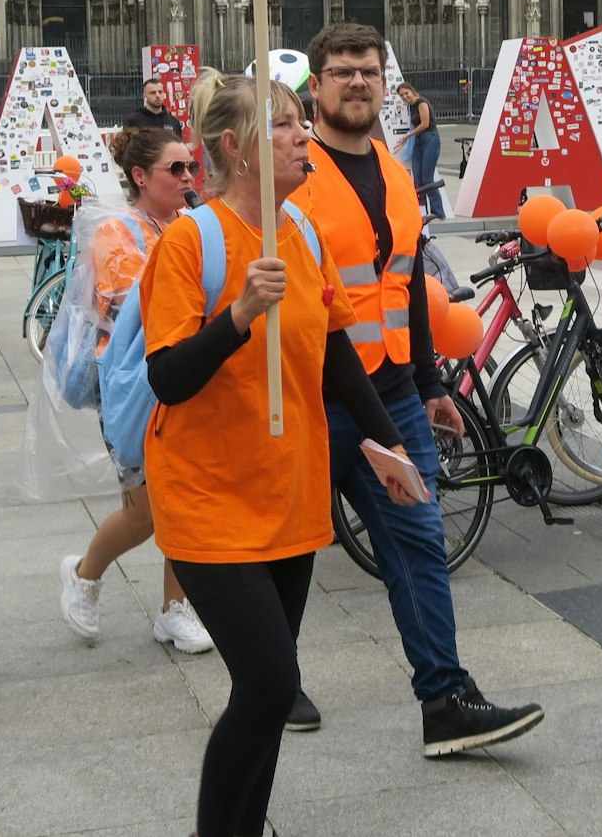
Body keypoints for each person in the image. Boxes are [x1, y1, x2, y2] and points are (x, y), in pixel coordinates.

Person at [140, 70, 408, 837]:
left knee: (261, 693)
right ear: (236, 146)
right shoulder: (196, 240)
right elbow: (168, 375)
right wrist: (237, 315)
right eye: (285, 125)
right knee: (271, 683)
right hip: (207, 496)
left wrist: (389, 442)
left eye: (300, 122)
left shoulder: (302, 232)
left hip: (289, 491)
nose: (302, 136)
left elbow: (334, 355)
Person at [302, 22, 546, 755]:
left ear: (385, 81)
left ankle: (444, 697)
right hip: (317, 397)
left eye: (367, 71)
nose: (356, 82)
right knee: (280, 554)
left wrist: (431, 380)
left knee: (418, 539)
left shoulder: (394, 163)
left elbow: (405, 280)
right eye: (341, 71)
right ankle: (268, 677)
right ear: (315, 86)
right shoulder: (294, 173)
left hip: (394, 396)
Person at [54, 125, 212, 654]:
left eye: (191, 167)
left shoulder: (189, 223)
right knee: (145, 512)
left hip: (185, 376)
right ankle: (83, 572)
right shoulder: (116, 230)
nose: (188, 177)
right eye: (176, 169)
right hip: (129, 384)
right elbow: (129, 302)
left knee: (183, 499)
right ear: (141, 176)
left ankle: (174, 609)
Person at [389, 81, 443, 219]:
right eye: (402, 96)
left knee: (427, 178)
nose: (405, 97)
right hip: (419, 141)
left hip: (430, 139)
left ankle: (438, 212)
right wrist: (405, 140)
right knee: (417, 179)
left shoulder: (421, 102)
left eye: (406, 93)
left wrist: (407, 136)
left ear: (412, 91)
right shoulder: (411, 106)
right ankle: (421, 210)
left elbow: (425, 124)